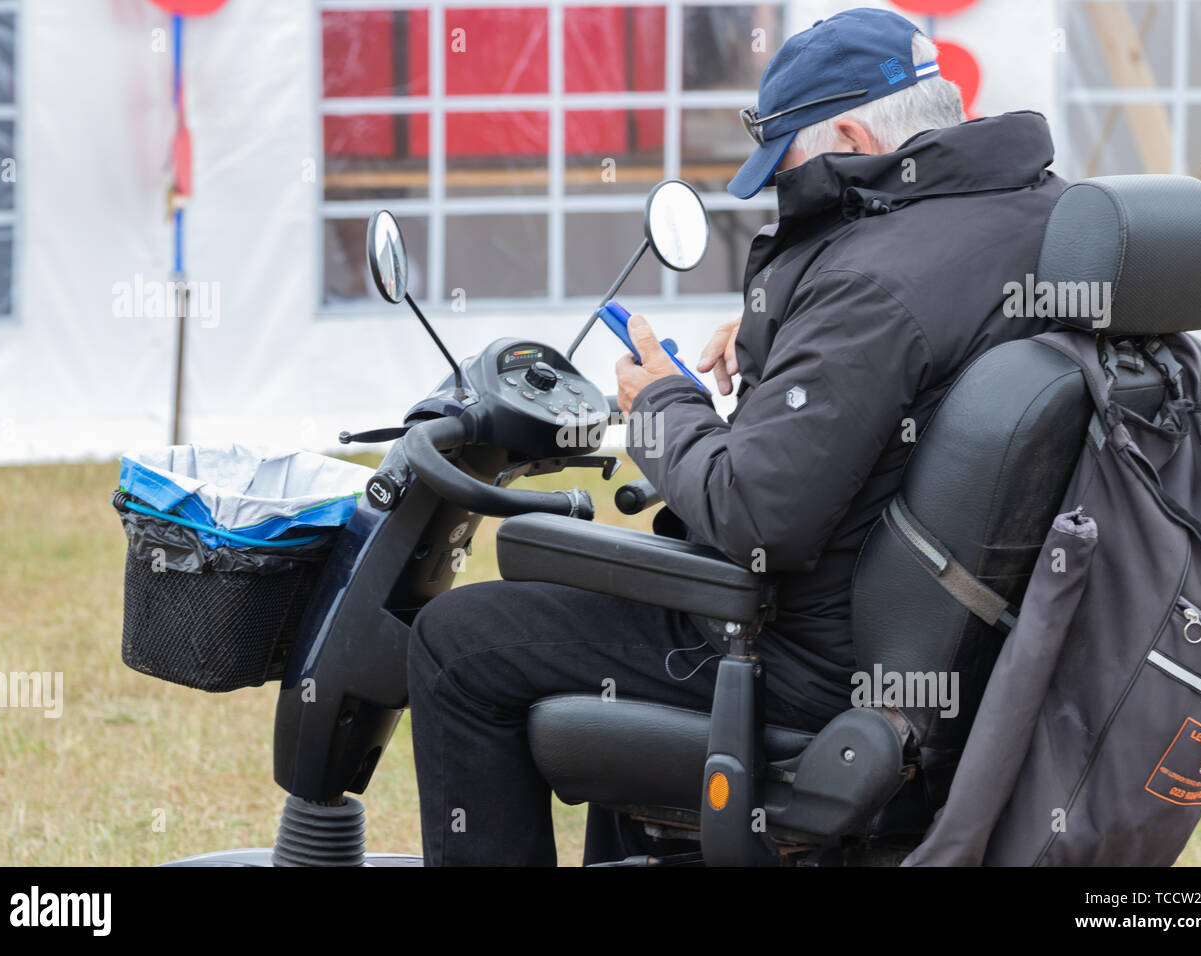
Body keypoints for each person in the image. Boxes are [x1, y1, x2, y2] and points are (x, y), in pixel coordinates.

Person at [407, 6, 1067, 866]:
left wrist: (662, 404)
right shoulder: (1033, 213)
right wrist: (790, 340)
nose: (782, 195)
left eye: (788, 166)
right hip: (948, 650)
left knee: (457, 643)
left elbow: (757, 515)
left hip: (802, 658)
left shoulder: (872, 289)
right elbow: (917, 336)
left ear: (855, 135)